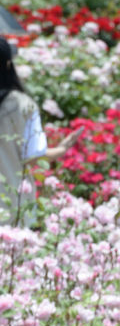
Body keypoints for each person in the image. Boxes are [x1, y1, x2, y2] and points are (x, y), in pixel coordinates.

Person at [0, 37, 77, 226]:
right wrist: (61, 149)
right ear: (8, 63)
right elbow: (33, 156)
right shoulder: (21, 104)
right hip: (9, 201)